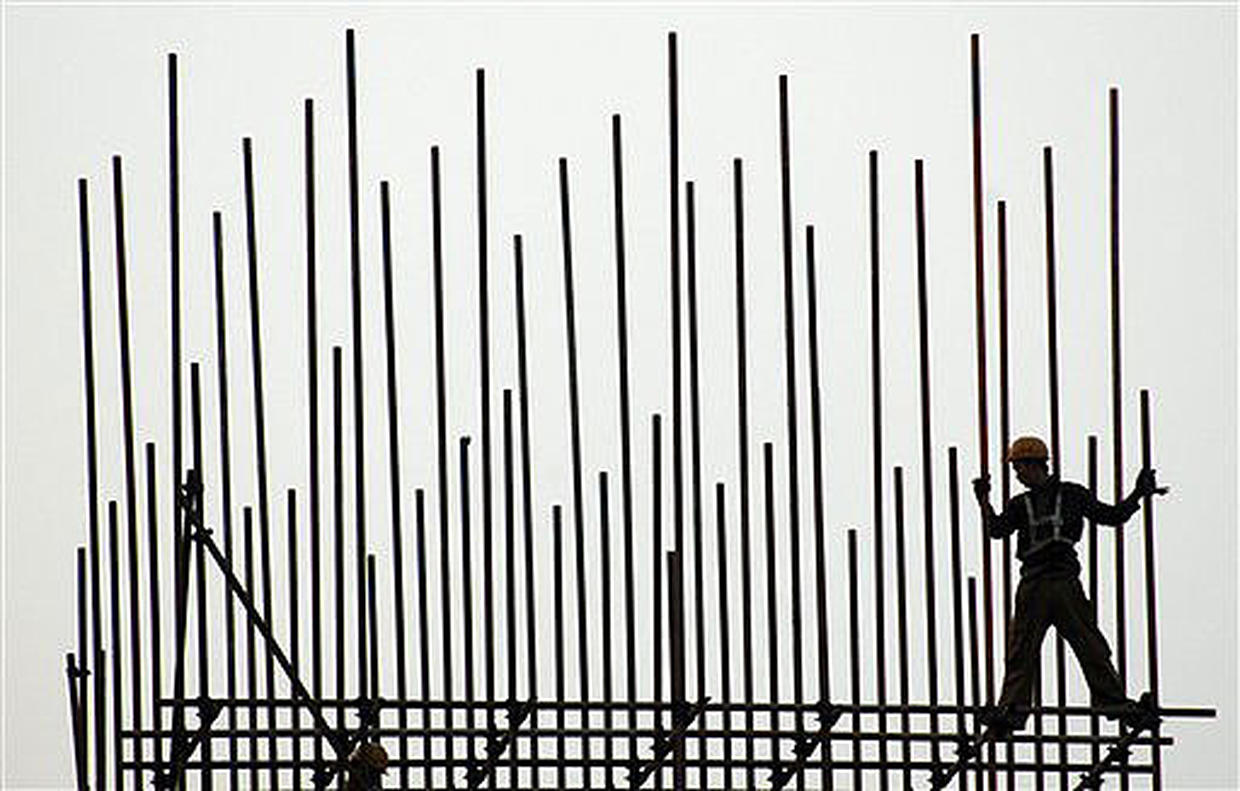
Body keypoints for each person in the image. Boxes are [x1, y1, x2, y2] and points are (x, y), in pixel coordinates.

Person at [972, 436, 1167, 735]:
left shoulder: (1073, 494)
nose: (1017, 474)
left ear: (1034, 464)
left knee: (1090, 644)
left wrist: (1137, 494)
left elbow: (1111, 516)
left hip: (1064, 582)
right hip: (1033, 583)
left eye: (1019, 467)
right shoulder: (1020, 504)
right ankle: (1011, 709)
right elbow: (996, 531)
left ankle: (1114, 702)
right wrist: (984, 501)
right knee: (1021, 650)